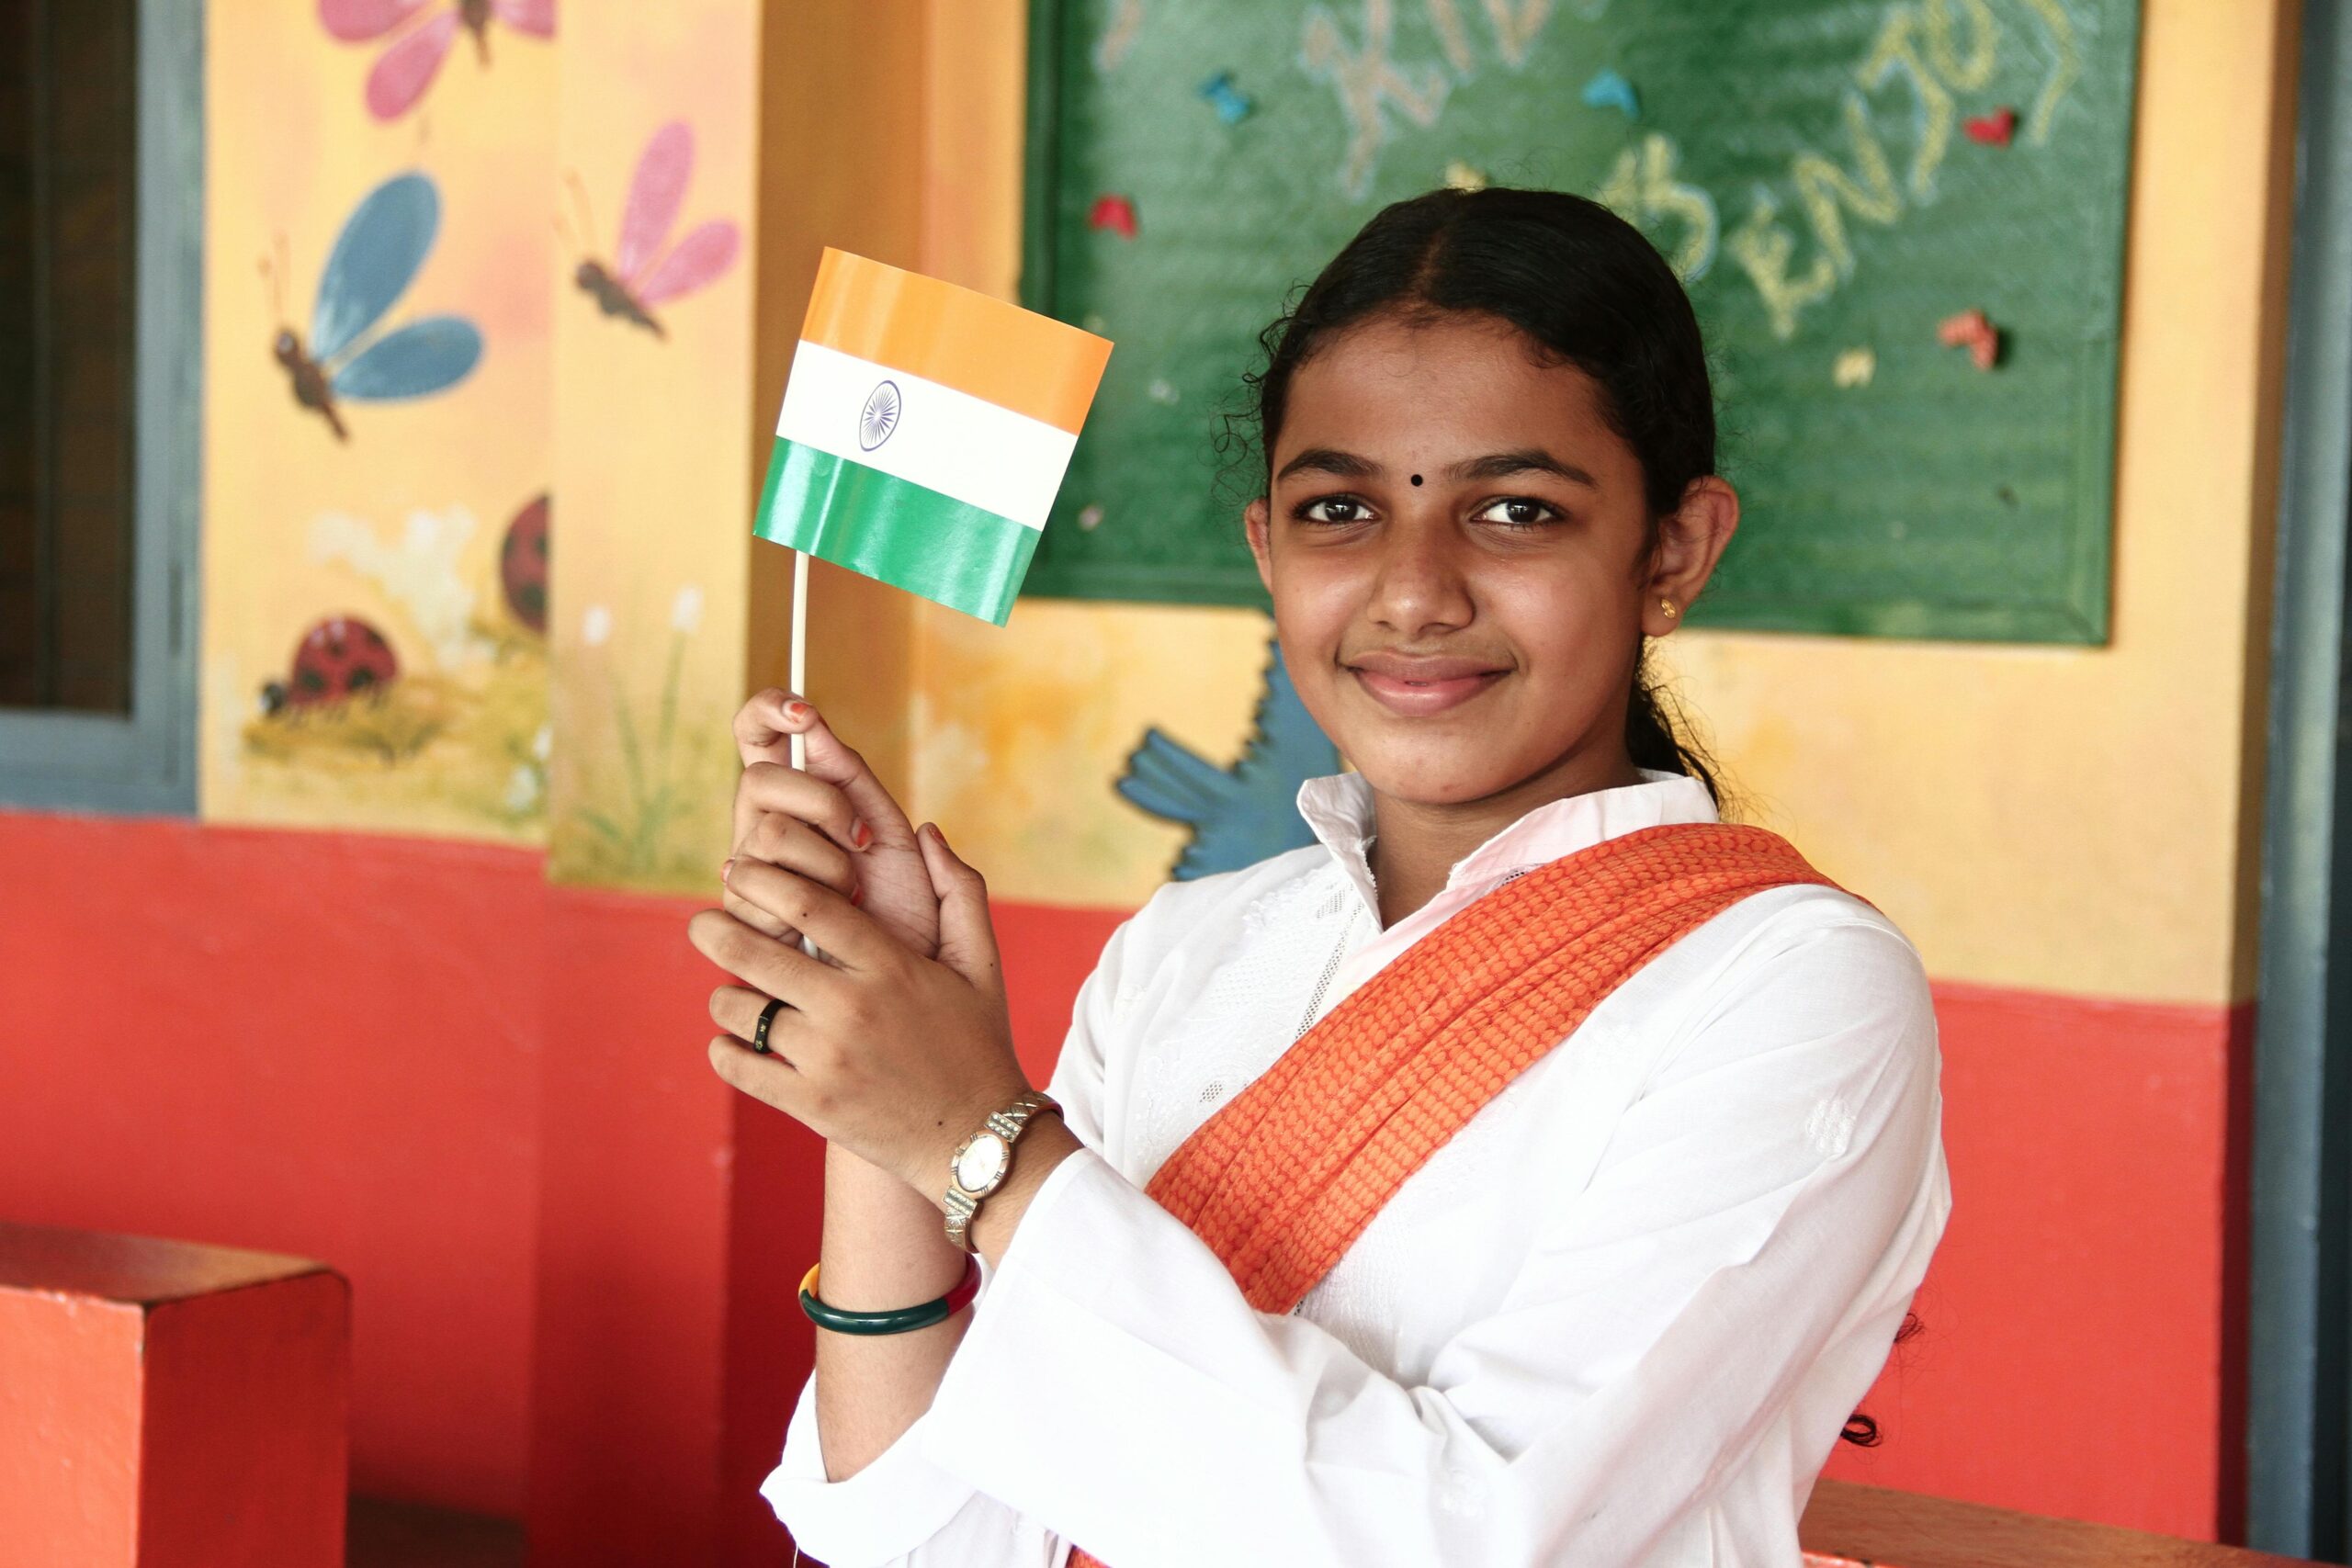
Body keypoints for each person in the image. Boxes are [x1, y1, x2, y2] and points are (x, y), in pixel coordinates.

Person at [688, 186, 1951, 1567]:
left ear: (1673, 551)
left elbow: (1470, 1544)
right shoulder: (1186, 955)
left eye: (1516, 511)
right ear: (1267, 549)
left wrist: (979, 1146)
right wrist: (887, 1096)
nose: (1414, 590)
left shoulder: (1785, 988)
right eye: (1341, 508)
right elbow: (927, 1548)